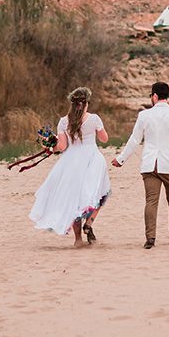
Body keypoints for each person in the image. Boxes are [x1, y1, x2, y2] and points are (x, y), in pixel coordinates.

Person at [112, 81, 169, 249]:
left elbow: (135, 139)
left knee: (151, 201)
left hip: (150, 165)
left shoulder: (144, 115)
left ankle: (150, 238)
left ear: (155, 96)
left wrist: (121, 159)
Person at [29, 87, 111, 248]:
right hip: (92, 160)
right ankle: (89, 222)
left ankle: (78, 239)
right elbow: (104, 139)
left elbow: (62, 145)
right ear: (86, 103)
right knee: (100, 193)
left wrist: (51, 145)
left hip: (70, 162)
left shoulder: (63, 121)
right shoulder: (94, 119)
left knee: (74, 199)